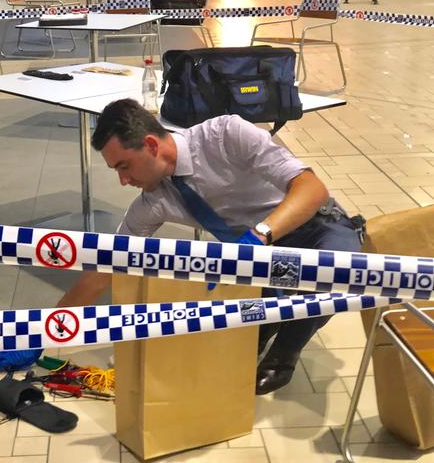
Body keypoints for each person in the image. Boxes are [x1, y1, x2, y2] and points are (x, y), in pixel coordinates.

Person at [56, 99, 361, 394]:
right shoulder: (154, 201)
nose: (123, 180)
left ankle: (284, 354)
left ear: (150, 145)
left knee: (339, 275)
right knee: (231, 333)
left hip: (315, 227)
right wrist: (45, 332)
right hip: (258, 259)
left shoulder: (227, 135)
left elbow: (312, 189)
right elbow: (105, 269)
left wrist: (259, 236)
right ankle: (262, 328)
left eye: (125, 166)